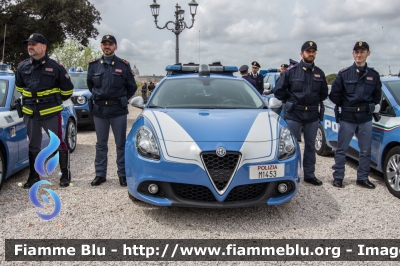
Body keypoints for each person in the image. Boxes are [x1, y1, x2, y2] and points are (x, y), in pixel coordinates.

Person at [15, 33, 74, 188]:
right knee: (33, 145)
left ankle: (65, 175)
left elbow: (67, 90)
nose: (30, 46)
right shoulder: (22, 67)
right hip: (30, 113)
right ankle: (34, 177)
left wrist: (53, 101)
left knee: (58, 143)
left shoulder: (56, 67)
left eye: (34, 44)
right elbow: (20, 87)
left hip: (50, 112)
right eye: (28, 44)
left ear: (43, 47)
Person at [274, 41, 328, 186]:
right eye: (308, 51)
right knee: (288, 146)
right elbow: (278, 90)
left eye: (313, 51)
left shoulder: (320, 73)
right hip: (294, 114)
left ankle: (309, 174)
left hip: (311, 114)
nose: (311, 54)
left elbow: (323, 94)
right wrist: (290, 100)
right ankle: (288, 174)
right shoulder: (291, 71)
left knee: (310, 146)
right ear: (301, 54)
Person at [329, 41, 382, 189]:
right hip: (348, 117)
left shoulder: (374, 75)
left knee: (365, 150)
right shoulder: (344, 74)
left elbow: (377, 96)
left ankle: (362, 178)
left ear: (368, 53)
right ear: (353, 54)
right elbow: (334, 95)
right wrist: (347, 105)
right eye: (356, 52)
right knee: (342, 149)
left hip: (365, 118)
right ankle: (338, 177)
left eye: (362, 52)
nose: (359, 55)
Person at [87, 35, 137, 187]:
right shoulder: (94, 65)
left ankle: (122, 175)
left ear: (116, 47)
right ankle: (100, 174)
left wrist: (122, 98)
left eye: (110, 44)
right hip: (100, 110)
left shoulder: (123, 65)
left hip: (117, 110)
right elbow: (91, 85)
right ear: (101, 47)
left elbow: (132, 87)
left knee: (121, 144)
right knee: (101, 144)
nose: (107, 46)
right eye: (104, 44)